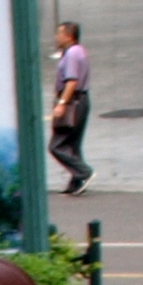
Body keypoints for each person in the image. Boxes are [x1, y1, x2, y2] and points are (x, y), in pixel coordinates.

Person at [50, 21, 92, 196]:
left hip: (72, 102)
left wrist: (61, 104)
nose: (56, 37)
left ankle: (84, 172)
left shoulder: (72, 54)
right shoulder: (78, 51)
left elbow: (71, 81)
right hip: (80, 100)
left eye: (59, 33)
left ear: (68, 35)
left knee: (57, 145)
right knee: (73, 144)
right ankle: (76, 182)